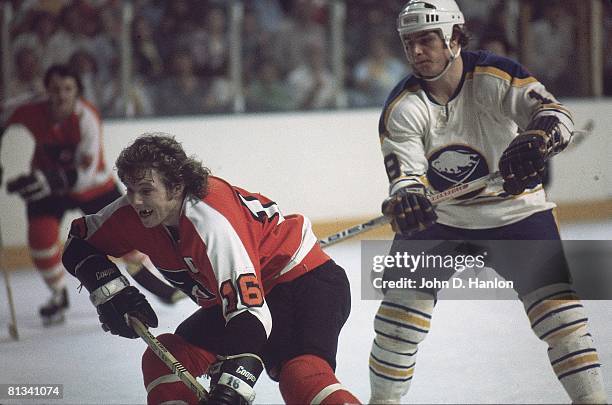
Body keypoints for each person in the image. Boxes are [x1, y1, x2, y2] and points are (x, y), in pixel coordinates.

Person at [368, 1, 608, 404]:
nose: (416, 52)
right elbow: (405, 176)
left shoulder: (496, 75)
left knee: (563, 321)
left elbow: (554, 113)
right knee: (396, 322)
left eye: (427, 39)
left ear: (456, 39)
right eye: (409, 43)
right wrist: (408, 198)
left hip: (516, 213)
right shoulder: (403, 106)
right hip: (442, 220)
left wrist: (538, 138)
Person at [60, 134, 361, 405]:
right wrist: (109, 289)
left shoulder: (211, 221)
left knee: (303, 377)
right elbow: (78, 244)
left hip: (302, 283)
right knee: (165, 359)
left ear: (176, 186)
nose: (136, 201)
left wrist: (232, 390)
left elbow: (249, 312)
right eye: (130, 190)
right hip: (244, 297)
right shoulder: (132, 213)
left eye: (146, 191)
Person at [0, 64, 184, 325]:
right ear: (46, 91)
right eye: (55, 89)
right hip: (47, 184)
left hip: (92, 187)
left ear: (77, 92)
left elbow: (86, 173)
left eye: (68, 89)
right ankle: (58, 294)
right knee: (40, 240)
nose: (61, 95)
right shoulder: (30, 110)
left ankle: (148, 277)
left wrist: (50, 179)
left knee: (129, 237)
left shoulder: (87, 116)